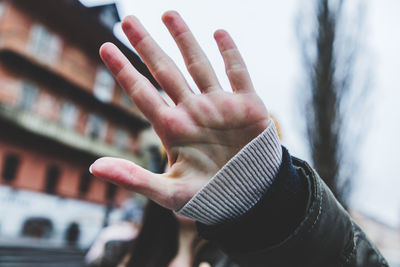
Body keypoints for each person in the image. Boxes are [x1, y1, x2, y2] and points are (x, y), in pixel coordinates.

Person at [90, 11, 388, 266]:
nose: (184, 169)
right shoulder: (116, 254)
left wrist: (265, 202)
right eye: (175, 158)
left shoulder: (252, 259)